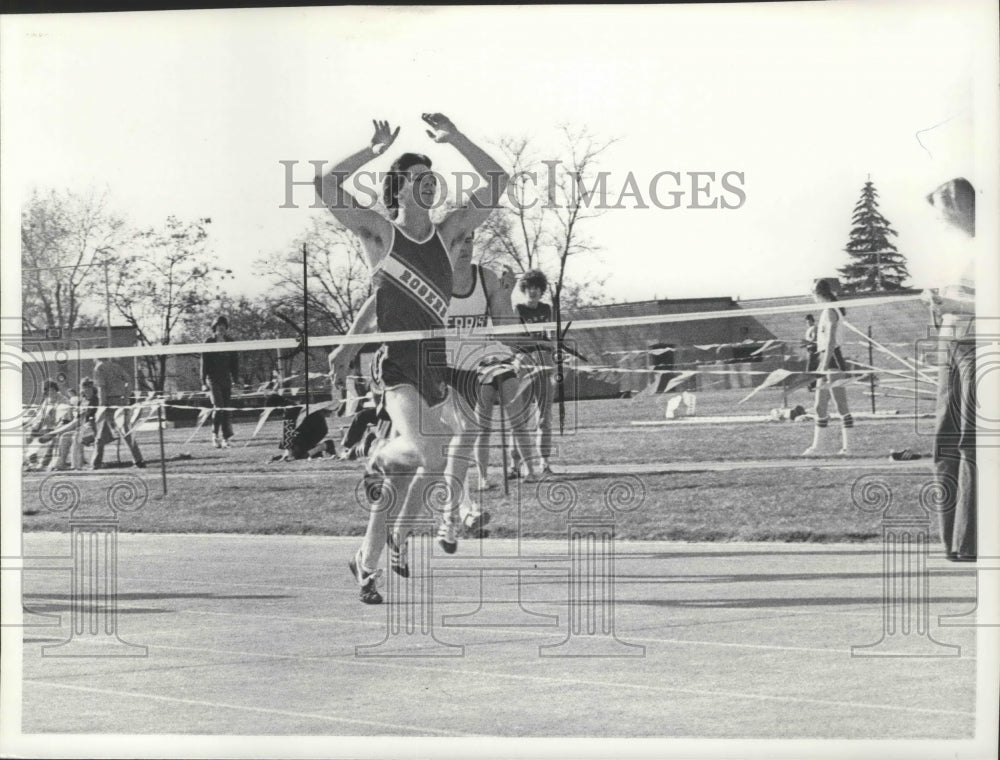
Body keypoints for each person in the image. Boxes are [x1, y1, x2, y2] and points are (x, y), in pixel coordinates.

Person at [317, 113, 508, 603]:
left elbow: (498, 180)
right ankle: (380, 455)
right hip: (398, 364)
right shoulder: (380, 233)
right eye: (419, 179)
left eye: (433, 178)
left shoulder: (448, 235)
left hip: (435, 362)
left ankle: (367, 559)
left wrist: (457, 137)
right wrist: (373, 149)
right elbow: (326, 182)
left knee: (406, 474)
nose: (430, 185)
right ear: (399, 189)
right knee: (436, 448)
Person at [443, 230, 538, 535]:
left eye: (470, 240)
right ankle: (461, 511)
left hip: (472, 371)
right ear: (446, 242)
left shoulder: (486, 279)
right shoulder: (433, 278)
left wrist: (506, 295)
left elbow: (506, 332)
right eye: (459, 240)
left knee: (460, 437)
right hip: (437, 370)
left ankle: (460, 512)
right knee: (454, 439)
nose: (465, 248)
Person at [923, 177, 976, 562]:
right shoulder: (955, 253)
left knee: (972, 441)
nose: (940, 223)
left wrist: (957, 306)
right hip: (950, 342)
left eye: (943, 214)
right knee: (945, 438)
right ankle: (951, 542)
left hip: (981, 346)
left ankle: (972, 539)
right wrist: (936, 299)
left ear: (961, 208)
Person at [508, 269, 555, 478]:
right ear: (524, 290)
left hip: (545, 363)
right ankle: (514, 463)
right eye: (529, 288)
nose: (533, 292)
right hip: (524, 363)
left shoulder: (547, 310)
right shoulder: (517, 310)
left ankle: (544, 461)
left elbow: (552, 340)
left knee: (545, 416)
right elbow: (517, 341)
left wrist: (550, 348)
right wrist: (541, 343)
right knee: (521, 416)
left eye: (537, 288)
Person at [802, 278, 853, 456]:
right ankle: (817, 447)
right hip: (823, 358)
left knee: (840, 405)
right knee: (819, 406)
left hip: (833, 361)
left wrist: (824, 365)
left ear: (818, 293)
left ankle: (848, 448)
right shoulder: (825, 310)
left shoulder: (831, 310)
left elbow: (831, 341)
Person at [91, 358, 145, 469]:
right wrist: (125, 397)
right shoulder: (116, 366)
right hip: (120, 401)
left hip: (108, 402)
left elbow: (101, 388)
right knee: (126, 433)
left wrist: (102, 406)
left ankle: (96, 464)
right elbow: (128, 380)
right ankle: (138, 460)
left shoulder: (99, 368)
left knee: (100, 433)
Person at [200, 315, 239, 448]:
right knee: (219, 407)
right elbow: (204, 363)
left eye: (223, 327)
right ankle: (215, 435)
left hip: (226, 379)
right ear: (214, 328)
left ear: (226, 329)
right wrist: (203, 382)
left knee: (226, 409)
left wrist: (235, 380)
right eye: (218, 326)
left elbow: (235, 363)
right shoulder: (208, 342)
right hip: (213, 379)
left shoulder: (231, 342)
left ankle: (226, 438)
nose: (221, 329)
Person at [47, 378, 99, 471]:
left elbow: (89, 420)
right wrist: (57, 432)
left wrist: (55, 432)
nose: (86, 389)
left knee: (76, 436)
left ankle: (77, 466)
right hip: (82, 427)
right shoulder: (81, 401)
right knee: (64, 436)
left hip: (95, 428)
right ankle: (59, 464)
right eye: (84, 387)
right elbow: (76, 421)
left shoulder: (96, 401)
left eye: (88, 387)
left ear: (92, 388)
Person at [23, 379, 71, 470]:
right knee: (29, 435)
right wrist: (34, 426)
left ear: (55, 389)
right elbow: (40, 417)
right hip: (46, 427)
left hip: (60, 427)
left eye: (52, 390)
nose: (50, 392)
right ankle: (32, 462)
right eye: (47, 390)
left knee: (52, 437)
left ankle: (44, 464)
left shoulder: (63, 400)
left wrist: (56, 429)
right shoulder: (47, 401)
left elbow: (65, 419)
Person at [803, 314, 819, 391]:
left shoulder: (814, 328)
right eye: (807, 322)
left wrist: (806, 343)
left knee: (811, 368)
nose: (808, 323)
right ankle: (811, 385)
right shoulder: (808, 329)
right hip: (809, 349)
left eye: (809, 321)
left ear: (812, 321)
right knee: (810, 368)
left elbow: (814, 338)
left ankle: (813, 385)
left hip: (813, 349)